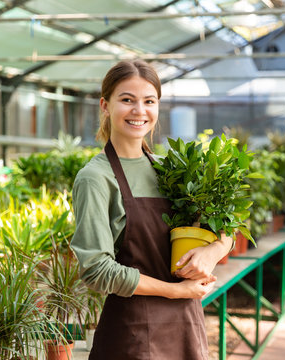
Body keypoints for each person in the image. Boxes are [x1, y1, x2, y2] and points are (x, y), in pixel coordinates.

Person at [70, 59, 233, 359]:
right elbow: (97, 271)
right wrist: (175, 291)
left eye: (149, 101)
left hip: (187, 327)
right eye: (127, 100)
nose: (139, 111)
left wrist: (212, 252)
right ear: (105, 105)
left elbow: (225, 227)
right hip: (132, 335)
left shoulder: (170, 170)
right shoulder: (95, 178)